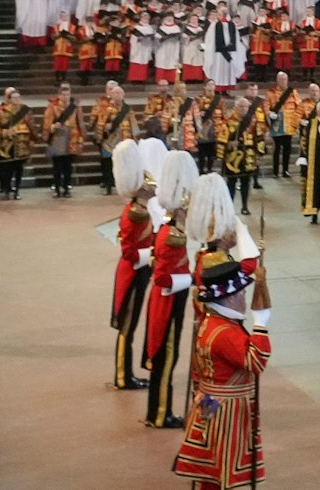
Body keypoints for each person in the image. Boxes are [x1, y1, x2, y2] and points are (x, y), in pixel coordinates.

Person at [171, 250, 272, 490]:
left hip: (211, 403)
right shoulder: (225, 332)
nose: (244, 297)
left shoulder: (212, 323)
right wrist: (260, 324)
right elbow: (256, 361)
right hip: (227, 411)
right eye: (241, 293)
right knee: (221, 472)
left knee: (210, 472)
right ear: (229, 298)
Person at [144, 150, 199, 427]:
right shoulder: (172, 237)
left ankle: (158, 411)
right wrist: (193, 279)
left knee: (168, 357)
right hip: (168, 302)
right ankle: (160, 413)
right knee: (167, 357)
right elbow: (165, 279)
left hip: (169, 299)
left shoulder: (171, 232)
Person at [110, 139, 156, 391]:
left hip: (140, 272)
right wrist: (153, 255)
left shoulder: (140, 211)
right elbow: (128, 252)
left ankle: (126, 374)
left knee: (131, 325)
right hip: (132, 274)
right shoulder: (134, 214)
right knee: (127, 327)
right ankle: (122, 376)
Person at [217, 94, 267, 216]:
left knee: (246, 182)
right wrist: (229, 144)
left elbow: (259, 137)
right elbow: (221, 139)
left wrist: (259, 153)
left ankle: (245, 206)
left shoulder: (252, 122)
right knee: (231, 183)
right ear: (235, 107)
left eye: (246, 106)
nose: (244, 109)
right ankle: (230, 207)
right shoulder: (228, 122)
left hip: (248, 157)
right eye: (241, 106)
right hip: (233, 159)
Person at [92, 81, 142, 195]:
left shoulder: (128, 110)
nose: (118, 95)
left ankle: (126, 186)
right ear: (112, 95)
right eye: (116, 93)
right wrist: (105, 127)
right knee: (109, 165)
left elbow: (134, 124)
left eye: (120, 93)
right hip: (110, 141)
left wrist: (135, 139)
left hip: (125, 140)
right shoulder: (106, 109)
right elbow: (100, 123)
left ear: (123, 95)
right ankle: (108, 186)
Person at [0, 88, 34, 200]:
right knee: (6, 168)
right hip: (5, 145)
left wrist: (31, 139)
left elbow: (31, 126)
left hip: (21, 143)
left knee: (19, 168)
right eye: (14, 98)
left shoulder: (25, 110)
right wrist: (2, 132)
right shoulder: (0, 110)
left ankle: (17, 190)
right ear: (9, 98)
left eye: (18, 97)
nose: (16, 100)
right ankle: (6, 188)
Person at [44, 82, 86, 198]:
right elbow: (47, 123)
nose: (65, 97)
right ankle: (57, 188)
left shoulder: (75, 107)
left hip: (71, 140)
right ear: (59, 95)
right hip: (58, 139)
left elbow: (80, 123)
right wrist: (53, 127)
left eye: (67, 95)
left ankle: (67, 187)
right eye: (63, 95)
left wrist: (81, 139)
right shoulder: (52, 107)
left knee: (68, 166)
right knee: (57, 166)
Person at [264, 73, 301, 179]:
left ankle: (286, 170)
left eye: (285, 79)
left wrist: (297, 120)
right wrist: (269, 113)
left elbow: (299, 107)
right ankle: (275, 171)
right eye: (281, 79)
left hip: (289, 125)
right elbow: (266, 106)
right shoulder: (271, 92)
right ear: (277, 80)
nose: (283, 81)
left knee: (287, 148)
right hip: (277, 124)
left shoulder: (293, 92)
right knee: (276, 148)